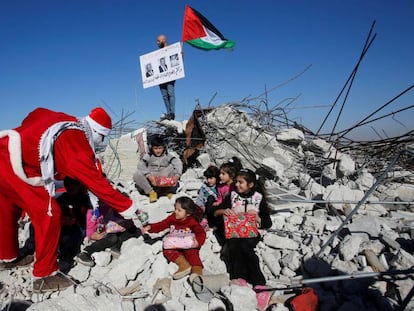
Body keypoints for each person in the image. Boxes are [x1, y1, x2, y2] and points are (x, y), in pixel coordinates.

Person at [0, 107, 141, 293]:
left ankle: (8, 257)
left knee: (6, 209)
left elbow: (35, 113)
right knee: (49, 214)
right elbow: (94, 180)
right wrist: (128, 206)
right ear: (97, 132)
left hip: (4, 150)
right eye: (102, 137)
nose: (102, 142)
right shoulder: (75, 138)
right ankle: (45, 274)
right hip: (16, 166)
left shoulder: (65, 120)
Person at [214, 168, 273, 310]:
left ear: (250, 184)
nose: (237, 185)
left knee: (245, 247)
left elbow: (268, 222)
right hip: (235, 229)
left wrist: (257, 217)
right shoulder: (233, 195)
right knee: (234, 244)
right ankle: (238, 277)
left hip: (252, 231)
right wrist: (225, 211)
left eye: (241, 182)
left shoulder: (258, 197)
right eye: (236, 182)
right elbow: (215, 211)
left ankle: (260, 284)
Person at [142, 196, 206, 280]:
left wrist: (197, 242)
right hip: (175, 242)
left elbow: (201, 233)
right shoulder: (172, 218)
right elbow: (162, 224)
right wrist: (150, 227)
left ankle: (197, 273)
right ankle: (184, 265)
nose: (176, 212)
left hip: (187, 244)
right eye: (175, 209)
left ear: (188, 213)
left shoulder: (192, 222)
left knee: (192, 254)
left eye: (179, 210)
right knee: (167, 250)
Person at [76, 199, 141, 267]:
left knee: (130, 230)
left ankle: (114, 247)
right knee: (113, 238)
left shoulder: (109, 206)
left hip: (111, 229)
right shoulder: (92, 212)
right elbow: (89, 230)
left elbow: (120, 218)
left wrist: (125, 224)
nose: (101, 203)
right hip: (100, 234)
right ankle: (86, 252)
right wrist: (93, 236)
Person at [133, 134, 183, 203]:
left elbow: (178, 163)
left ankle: (168, 192)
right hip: (152, 180)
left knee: (172, 167)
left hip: (164, 180)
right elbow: (141, 164)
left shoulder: (167, 155)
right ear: (152, 148)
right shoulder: (149, 156)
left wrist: (177, 176)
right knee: (137, 174)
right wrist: (149, 176)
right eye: (155, 149)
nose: (158, 151)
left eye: (160, 148)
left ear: (163, 148)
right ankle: (151, 192)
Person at [205, 157, 242, 245]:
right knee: (210, 201)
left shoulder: (235, 188)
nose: (220, 176)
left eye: (223, 174)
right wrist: (218, 202)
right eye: (220, 173)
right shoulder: (221, 187)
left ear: (231, 175)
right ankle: (211, 222)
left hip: (230, 210)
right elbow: (220, 197)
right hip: (222, 207)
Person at [156, 34, 175, 120]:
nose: (157, 43)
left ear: (163, 40)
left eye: (158, 41)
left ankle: (172, 112)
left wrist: (181, 56)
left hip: (170, 75)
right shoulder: (157, 54)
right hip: (160, 77)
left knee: (170, 93)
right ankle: (168, 113)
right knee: (164, 95)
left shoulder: (172, 49)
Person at [195, 165, 220, 230]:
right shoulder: (204, 187)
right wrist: (201, 205)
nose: (208, 180)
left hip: (214, 208)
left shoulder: (219, 187)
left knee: (211, 198)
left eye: (211, 178)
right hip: (205, 207)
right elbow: (200, 198)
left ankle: (209, 221)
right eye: (207, 178)